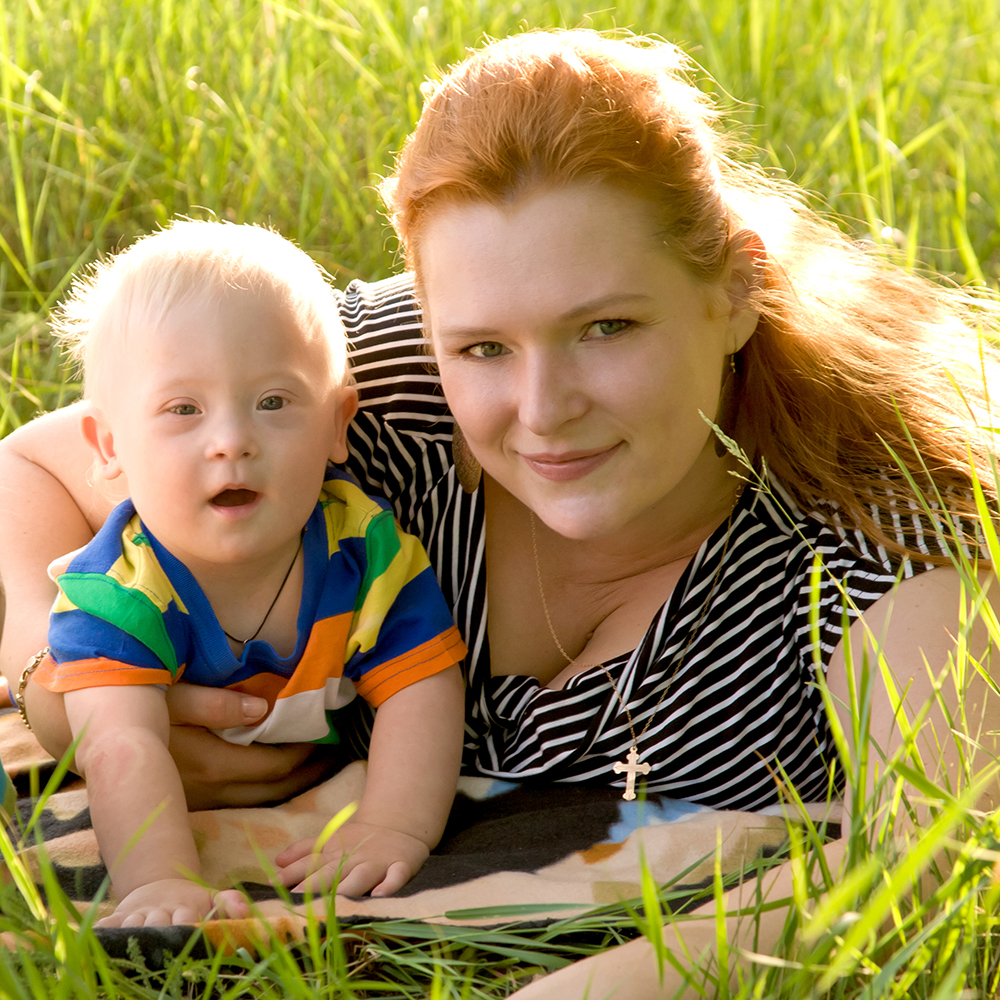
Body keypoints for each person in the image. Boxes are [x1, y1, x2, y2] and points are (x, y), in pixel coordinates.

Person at [1, 27, 998, 995]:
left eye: (605, 327)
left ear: (735, 286)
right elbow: (35, 471)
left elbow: (946, 850)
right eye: (481, 348)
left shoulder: (871, 528)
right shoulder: (373, 396)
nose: (541, 408)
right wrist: (78, 691)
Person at [28, 220, 466, 927]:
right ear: (109, 447)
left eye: (273, 402)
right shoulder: (115, 593)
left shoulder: (363, 548)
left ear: (337, 422)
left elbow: (424, 688)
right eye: (183, 410)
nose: (231, 442)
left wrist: (394, 823)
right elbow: (121, 745)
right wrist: (159, 881)